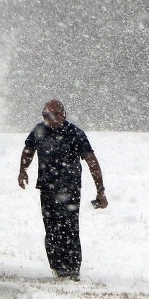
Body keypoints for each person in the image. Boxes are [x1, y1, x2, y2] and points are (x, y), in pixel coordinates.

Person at [18, 99, 107, 280]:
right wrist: (23, 170)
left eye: (53, 115)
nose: (49, 119)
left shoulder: (75, 134)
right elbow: (28, 150)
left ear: (63, 114)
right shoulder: (39, 130)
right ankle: (58, 267)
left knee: (69, 228)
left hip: (70, 189)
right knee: (51, 229)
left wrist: (100, 190)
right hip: (47, 189)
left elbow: (92, 162)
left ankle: (72, 269)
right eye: (45, 115)